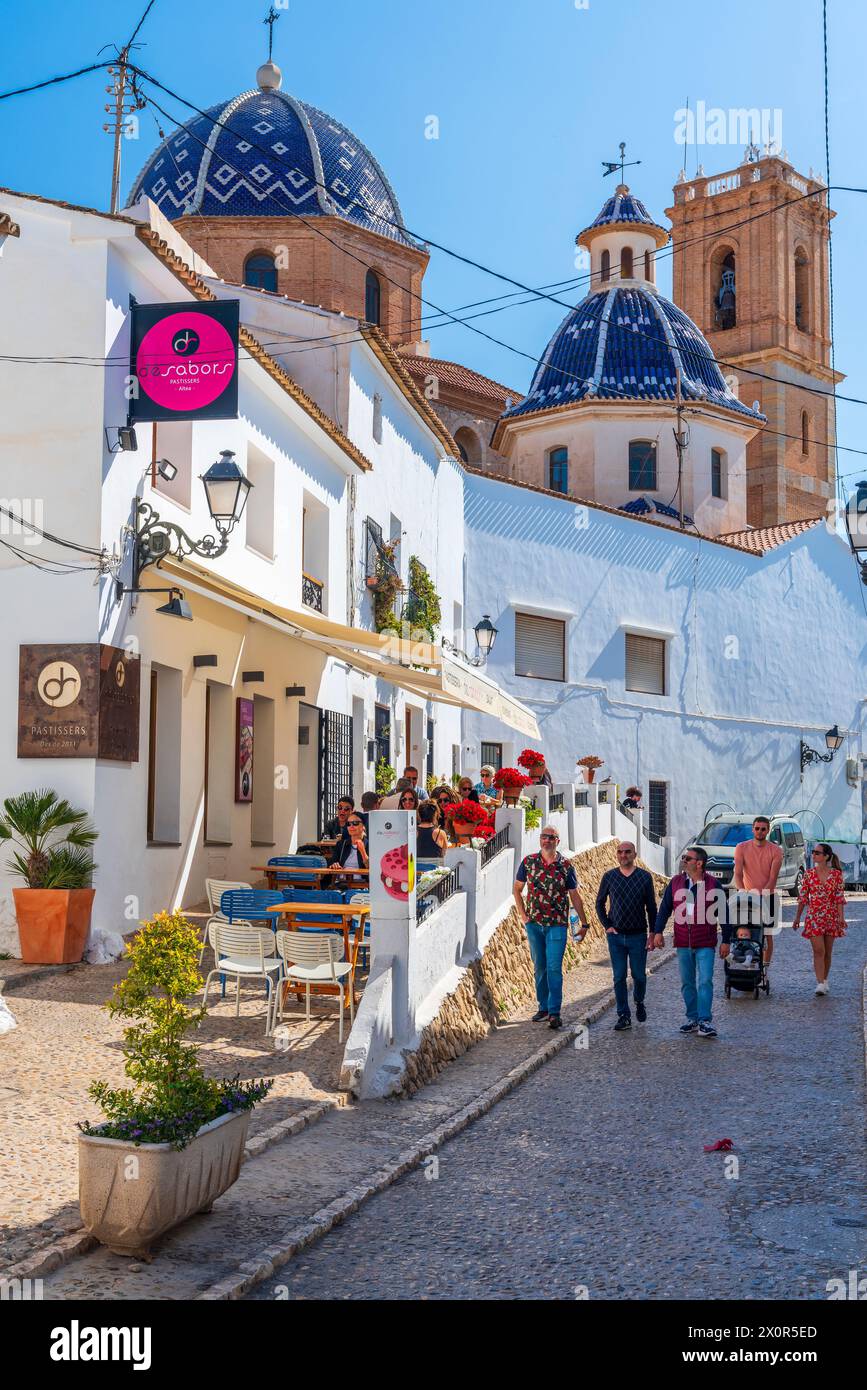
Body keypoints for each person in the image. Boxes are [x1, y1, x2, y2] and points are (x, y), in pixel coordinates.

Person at [514, 825, 588, 1031]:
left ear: (558, 841)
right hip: (534, 924)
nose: (546, 840)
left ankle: (554, 1012)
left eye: (551, 837)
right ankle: (543, 1007)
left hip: (557, 924)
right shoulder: (529, 862)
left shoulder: (566, 866)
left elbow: (574, 895)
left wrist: (584, 923)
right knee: (540, 966)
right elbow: (517, 889)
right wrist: (523, 915)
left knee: (554, 967)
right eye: (543, 837)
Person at [656, 846, 727, 1038]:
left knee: (705, 981)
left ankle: (705, 1021)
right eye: (684, 858)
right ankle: (692, 1018)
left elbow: (724, 914)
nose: (684, 861)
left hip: (705, 941)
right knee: (687, 983)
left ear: (699, 863)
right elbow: (664, 909)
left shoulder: (713, 885)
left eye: (688, 858)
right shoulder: (677, 882)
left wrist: (726, 940)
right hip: (682, 942)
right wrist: (657, 932)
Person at [595, 842, 658, 1031]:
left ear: (634, 854)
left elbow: (652, 907)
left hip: (638, 936)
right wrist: (607, 925)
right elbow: (599, 903)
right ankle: (623, 1015)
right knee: (618, 977)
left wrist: (652, 933)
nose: (623, 855)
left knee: (639, 976)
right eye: (620, 852)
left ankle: (639, 1001)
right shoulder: (609, 877)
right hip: (616, 937)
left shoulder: (645, 877)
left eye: (627, 852)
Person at [791, 843, 846, 995]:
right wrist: (797, 918)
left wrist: (841, 918)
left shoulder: (836, 875)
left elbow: (839, 898)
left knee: (828, 952)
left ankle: (825, 979)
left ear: (826, 856)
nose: (814, 855)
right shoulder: (808, 874)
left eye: (817, 852)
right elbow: (803, 898)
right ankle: (820, 983)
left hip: (831, 917)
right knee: (818, 950)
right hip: (814, 917)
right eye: (813, 852)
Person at [733, 816, 782, 975]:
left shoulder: (775, 850)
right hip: (747, 896)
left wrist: (762, 896)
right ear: (752, 829)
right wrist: (741, 891)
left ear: (768, 831)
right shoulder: (741, 847)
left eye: (763, 829)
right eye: (757, 828)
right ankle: (744, 957)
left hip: (769, 896)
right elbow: (738, 874)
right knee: (745, 930)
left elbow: (772, 878)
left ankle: (765, 968)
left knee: (767, 935)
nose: (760, 831)